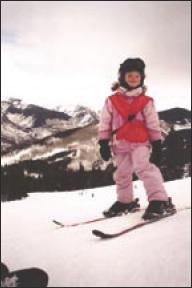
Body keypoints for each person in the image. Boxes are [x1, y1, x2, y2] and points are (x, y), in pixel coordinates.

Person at [98, 58, 176, 220]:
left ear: (141, 78)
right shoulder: (112, 100)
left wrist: (157, 144)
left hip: (140, 142)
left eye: (137, 76)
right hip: (120, 144)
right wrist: (103, 142)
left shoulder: (146, 101)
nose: (133, 79)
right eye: (129, 76)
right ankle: (125, 201)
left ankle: (159, 200)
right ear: (122, 78)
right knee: (122, 173)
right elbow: (105, 122)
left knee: (144, 168)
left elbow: (153, 124)